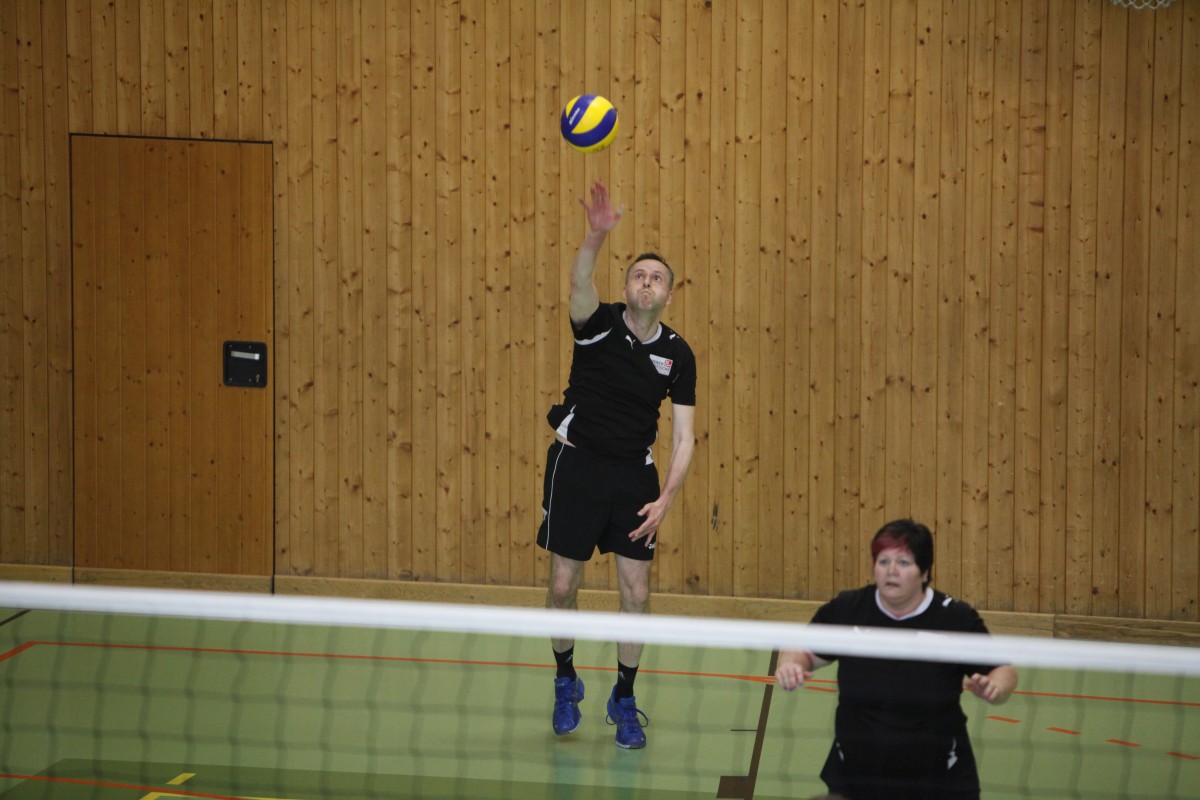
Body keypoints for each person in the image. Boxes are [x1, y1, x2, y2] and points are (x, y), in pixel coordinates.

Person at [538, 180, 697, 750]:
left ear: (668, 295)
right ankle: (565, 680)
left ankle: (624, 698)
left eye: (657, 278)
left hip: (634, 478)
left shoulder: (677, 354)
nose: (646, 282)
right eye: (638, 275)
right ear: (627, 288)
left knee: (635, 590)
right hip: (576, 468)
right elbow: (579, 283)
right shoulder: (598, 323)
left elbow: (684, 436)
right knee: (563, 584)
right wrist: (596, 236)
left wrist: (666, 498)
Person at [775, 519, 1018, 800]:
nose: (891, 571)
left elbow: (1003, 669)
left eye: (903, 562)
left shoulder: (954, 618)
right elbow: (802, 649)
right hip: (857, 777)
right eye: (883, 561)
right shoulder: (848, 610)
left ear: (924, 572)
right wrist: (791, 665)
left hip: (939, 780)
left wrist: (996, 687)